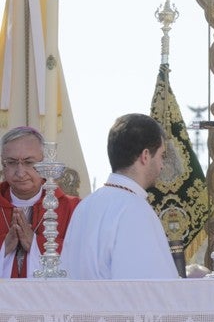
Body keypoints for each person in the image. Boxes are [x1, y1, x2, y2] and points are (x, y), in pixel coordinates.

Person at [61, 113, 178, 279]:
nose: (162, 165)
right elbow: (149, 288)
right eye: (161, 156)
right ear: (145, 156)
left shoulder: (85, 206)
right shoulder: (135, 210)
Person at [0, 126, 80, 278]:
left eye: (29, 162)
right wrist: (4, 246)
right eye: (11, 162)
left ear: (45, 164)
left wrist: (35, 243)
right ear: (2, 164)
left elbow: (82, 258)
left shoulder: (73, 208)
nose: (20, 172)